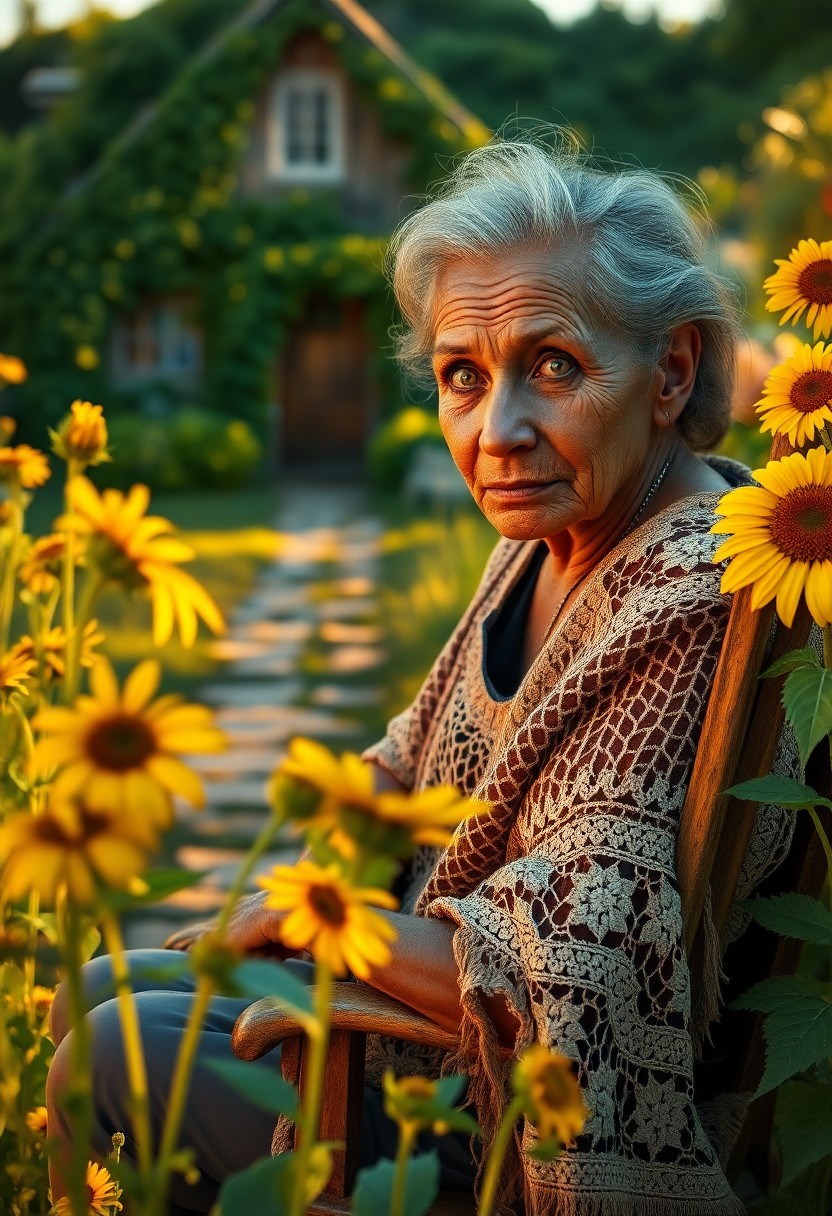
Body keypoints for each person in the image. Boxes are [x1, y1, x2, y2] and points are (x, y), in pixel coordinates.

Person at [47, 135, 796, 1215]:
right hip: (423, 1045)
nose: (497, 431)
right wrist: (324, 852)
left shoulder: (687, 589)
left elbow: (580, 981)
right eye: (462, 375)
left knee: (106, 1051)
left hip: (501, 1120)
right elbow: (408, 757)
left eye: (553, 366)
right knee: (105, 985)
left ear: (672, 370)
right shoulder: (540, 546)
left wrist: (320, 918)